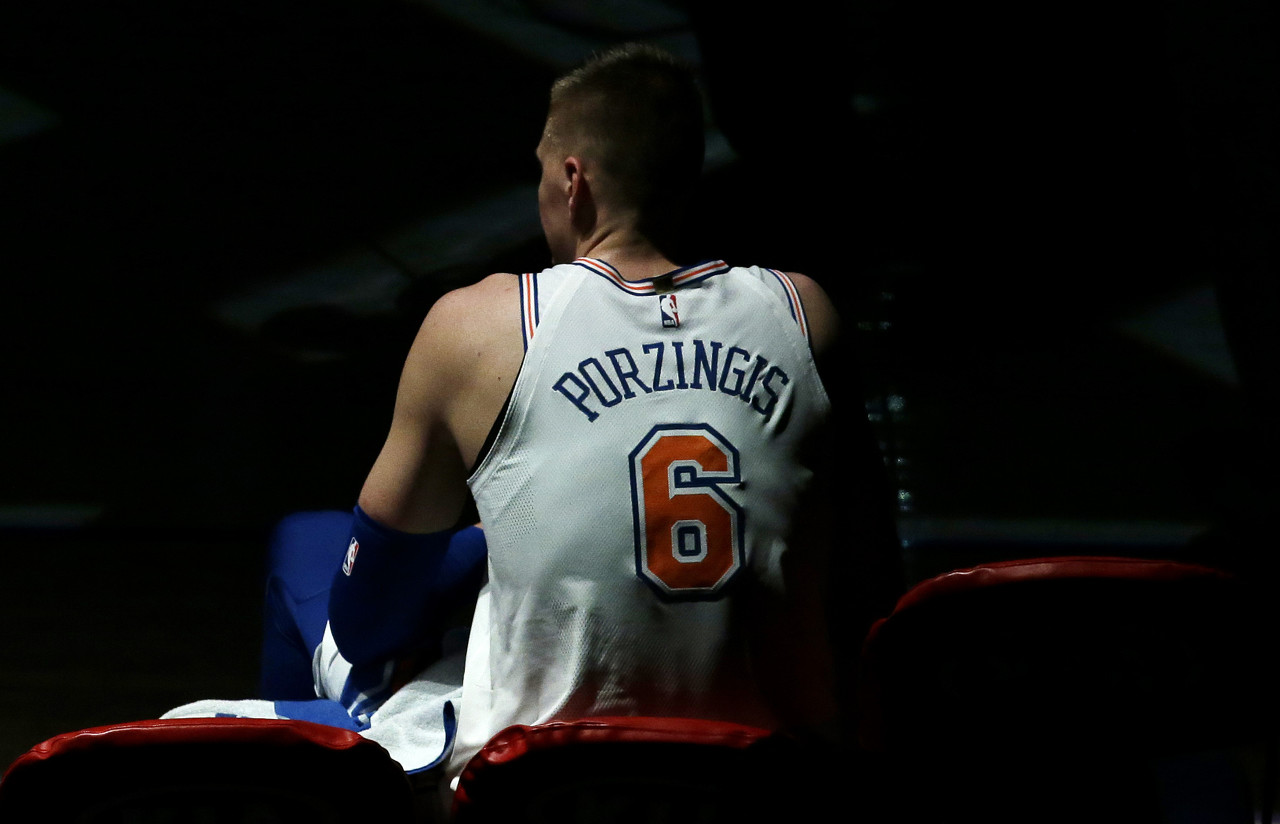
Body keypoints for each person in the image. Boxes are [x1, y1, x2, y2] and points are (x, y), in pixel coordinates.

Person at [333, 41, 846, 798]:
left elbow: (367, 621)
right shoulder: (805, 314)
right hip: (763, 785)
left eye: (543, 172)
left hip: (536, 793)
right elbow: (856, 570)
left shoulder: (479, 325)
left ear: (573, 181)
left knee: (307, 554)